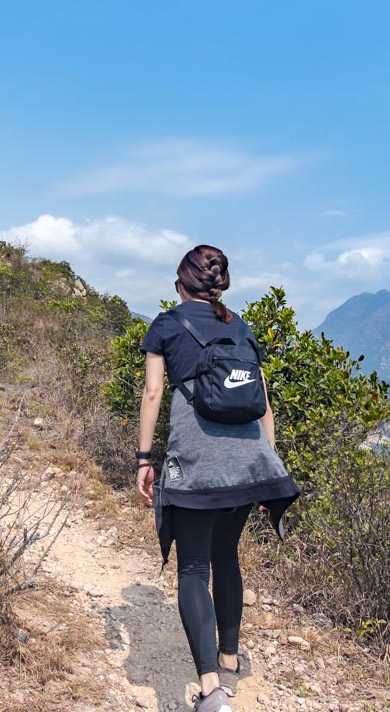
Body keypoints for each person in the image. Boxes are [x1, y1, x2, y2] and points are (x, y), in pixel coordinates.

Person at [136, 245, 299, 712]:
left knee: (193, 567)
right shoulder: (240, 326)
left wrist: (144, 458)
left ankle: (210, 689)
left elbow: (152, 393)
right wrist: (267, 465)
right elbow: (264, 403)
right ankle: (229, 657)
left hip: (198, 465)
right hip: (248, 463)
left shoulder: (167, 324)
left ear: (183, 284)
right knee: (226, 556)